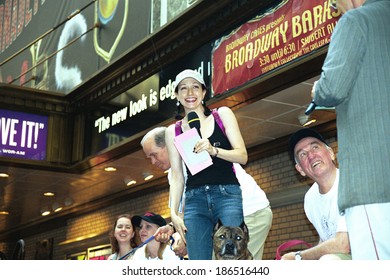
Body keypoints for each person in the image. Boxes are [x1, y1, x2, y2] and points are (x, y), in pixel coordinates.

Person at [310, 0, 390, 260]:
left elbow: (332, 87)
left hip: (373, 180)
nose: (335, 9)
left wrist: (316, 91)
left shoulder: (355, 21)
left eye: (334, 3)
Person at [141, 126, 272, 260]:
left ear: (169, 144)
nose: (153, 162)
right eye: (149, 158)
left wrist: (183, 236)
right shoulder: (174, 174)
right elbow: (187, 211)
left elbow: (201, 203)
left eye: (154, 155)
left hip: (250, 214)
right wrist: (173, 227)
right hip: (226, 222)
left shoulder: (193, 152)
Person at [165, 69, 247, 260]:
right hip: (195, 200)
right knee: (198, 264)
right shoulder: (173, 131)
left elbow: (242, 156)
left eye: (195, 87)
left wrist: (214, 150)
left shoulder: (222, 115)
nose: (190, 93)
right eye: (183, 88)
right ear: (176, 95)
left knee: (232, 260)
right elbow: (177, 176)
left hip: (227, 194)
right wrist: (173, 212)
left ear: (203, 92)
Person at [282, 128, 351, 260]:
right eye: (303, 154)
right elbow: (326, 240)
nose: (311, 155)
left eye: (315, 147)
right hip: (340, 258)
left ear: (331, 153)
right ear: (300, 169)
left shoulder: (349, 182)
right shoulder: (310, 198)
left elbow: (343, 245)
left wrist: (297, 257)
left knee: (328, 261)